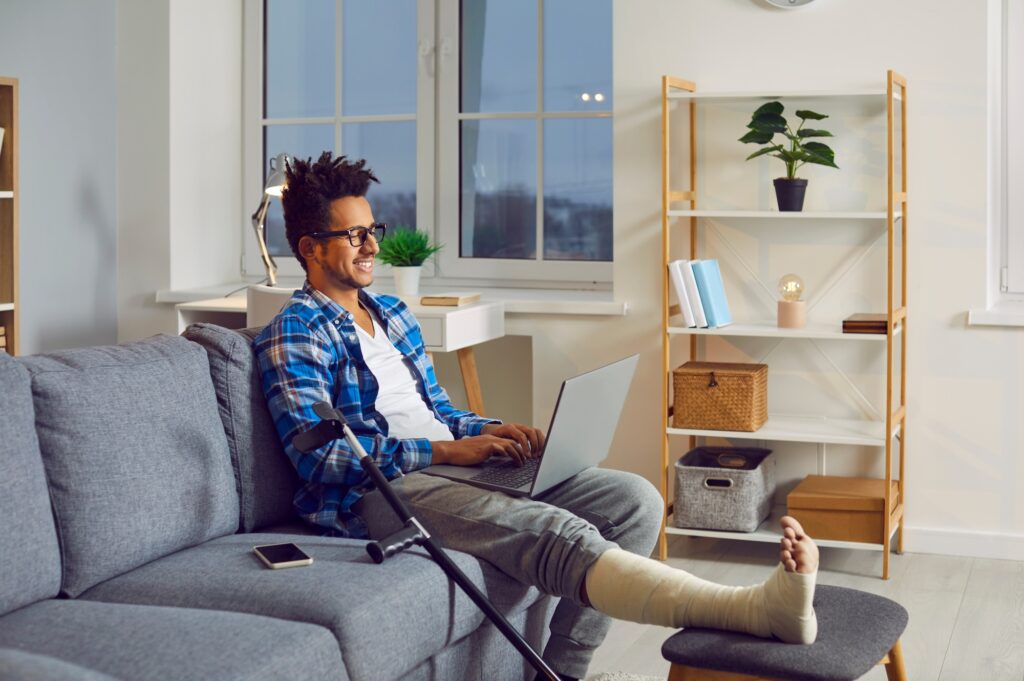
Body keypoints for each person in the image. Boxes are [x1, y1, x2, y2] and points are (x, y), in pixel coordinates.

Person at [254, 152, 820, 681]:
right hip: (380, 493)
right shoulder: (296, 332)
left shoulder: (395, 314)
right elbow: (326, 458)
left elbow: (438, 412)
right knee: (557, 530)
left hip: (446, 466)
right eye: (352, 235)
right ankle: (751, 609)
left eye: (372, 230)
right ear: (310, 248)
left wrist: (488, 431)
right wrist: (450, 452)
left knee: (635, 500)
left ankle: (563, 671)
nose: (370, 245)